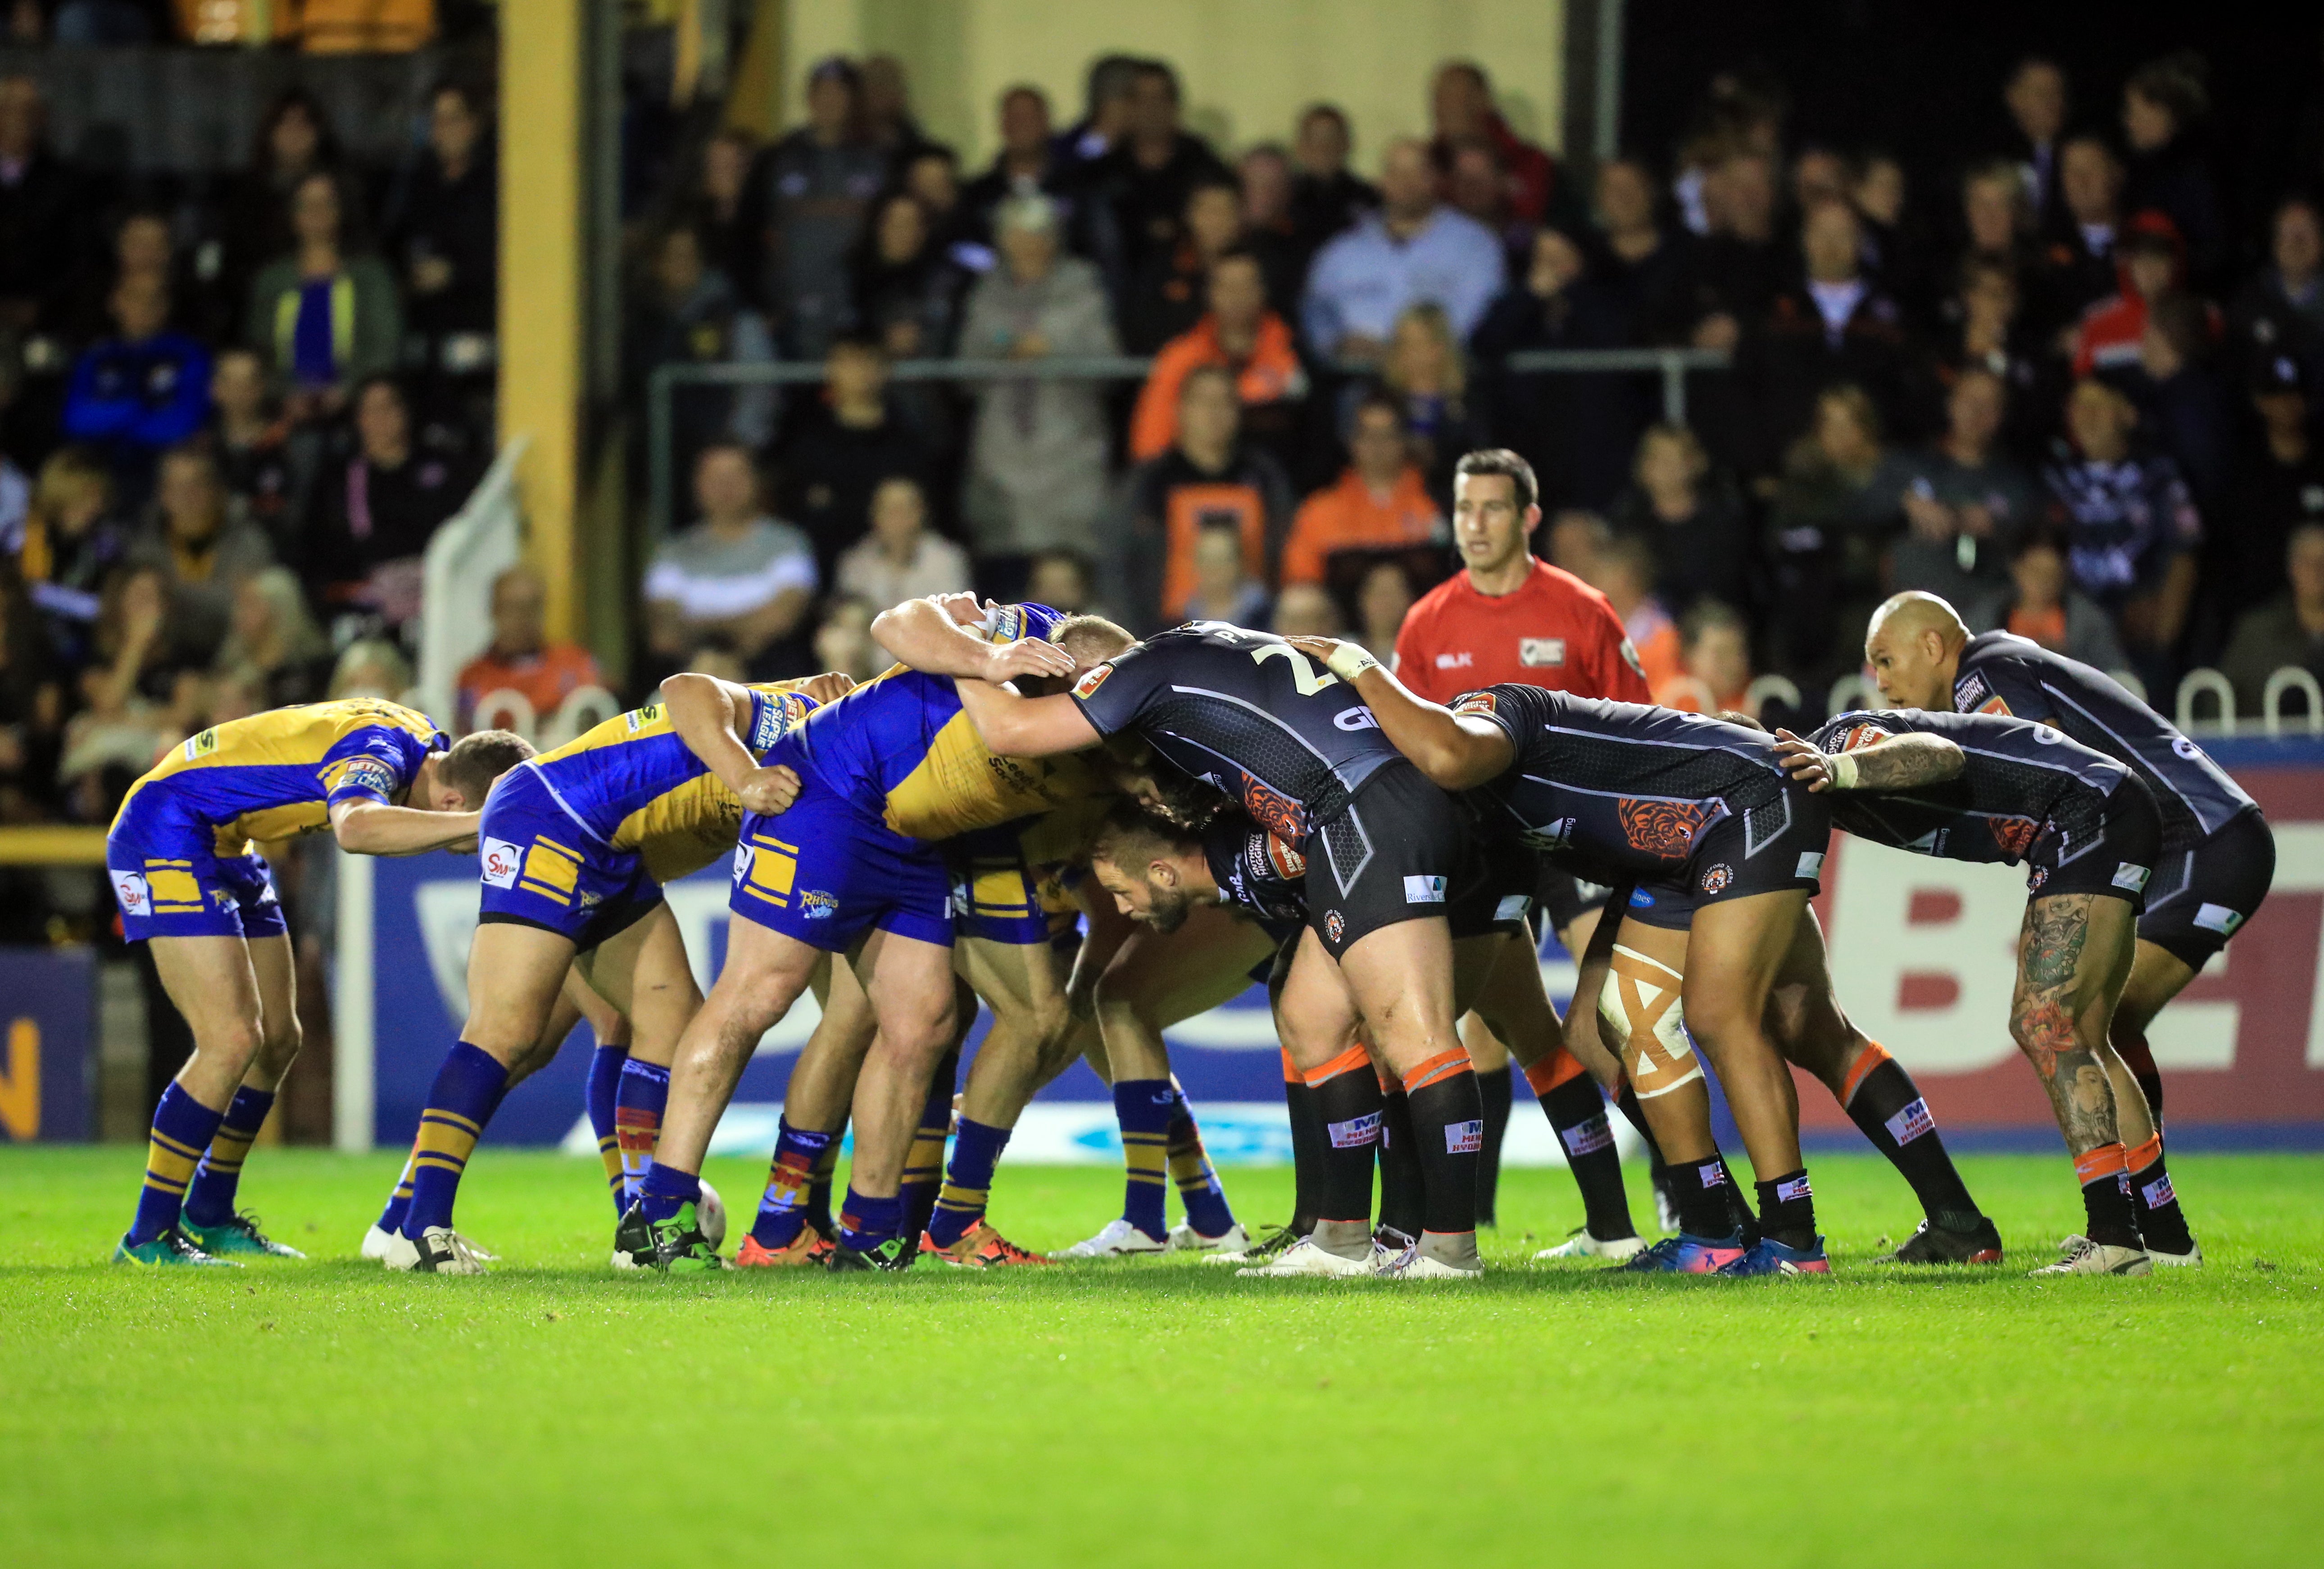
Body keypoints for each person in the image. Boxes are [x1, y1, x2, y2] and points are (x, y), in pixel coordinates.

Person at [949, 621, 1497, 1279]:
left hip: (1362, 808)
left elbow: (1008, 730)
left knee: (1414, 1034)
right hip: (1344, 816)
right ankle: (1339, 1241)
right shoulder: (1201, 651)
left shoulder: (1140, 674)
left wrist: (965, 653)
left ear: (1088, 674)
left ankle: (1449, 1250)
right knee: (1310, 1017)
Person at [1295, 644, 1835, 1275]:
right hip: (1671, 853)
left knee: (1717, 1017)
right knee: (1593, 1028)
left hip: (1745, 805)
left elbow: (1450, 750)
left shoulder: (1492, 714)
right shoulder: (1468, 815)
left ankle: (1793, 1240)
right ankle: (1715, 1227)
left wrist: (1360, 667)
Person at [622, 604, 1093, 1272]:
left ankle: (870, 1232)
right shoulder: (1014, 631)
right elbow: (897, 621)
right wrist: (988, 658)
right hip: (826, 799)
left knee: (923, 1022)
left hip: (913, 837)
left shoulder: (1096, 731)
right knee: (758, 994)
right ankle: (662, 1211)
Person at [368, 672, 840, 1272]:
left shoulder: (822, 728)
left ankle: (642, 1232)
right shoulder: (812, 728)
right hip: (551, 815)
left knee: (671, 1016)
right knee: (507, 1030)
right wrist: (747, 775)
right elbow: (685, 687)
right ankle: (420, 1230)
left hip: (608, 844)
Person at [1865, 589, 2268, 1267]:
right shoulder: (2003, 664)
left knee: (2072, 1024)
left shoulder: (1981, 676)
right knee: (2095, 1027)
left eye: (1885, 659)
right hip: (2197, 839)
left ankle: (2137, 1233)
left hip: (2201, 841)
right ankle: (2153, 1233)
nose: (1880, 681)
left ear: (1933, 646)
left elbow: (2043, 769)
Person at [108, 700, 530, 1264]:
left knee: (279, 1037)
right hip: (169, 829)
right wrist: (485, 822)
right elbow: (355, 827)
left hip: (225, 840)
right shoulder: (381, 752)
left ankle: (209, 1212)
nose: (459, 847)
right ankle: (146, 1236)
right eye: (462, 833)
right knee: (230, 1039)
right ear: (453, 800)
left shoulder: (421, 746)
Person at [1783, 705, 2168, 1272]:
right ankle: (2155, 1233)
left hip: (2088, 815)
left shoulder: (1836, 744)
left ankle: (2115, 1236)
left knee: (2044, 1023)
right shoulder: (1810, 800)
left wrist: (1837, 767)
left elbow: (1943, 756)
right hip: (2102, 809)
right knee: (2082, 1034)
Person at [956, 192, 1120, 562]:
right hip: (1001, 456)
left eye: (1037, 236)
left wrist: (1053, 349)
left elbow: (1108, 369)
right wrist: (1003, 348)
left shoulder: (1083, 289)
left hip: (1069, 455)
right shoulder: (987, 292)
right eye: (1016, 236)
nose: (1027, 246)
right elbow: (965, 371)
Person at [2042, 376, 2201, 686]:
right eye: (2079, 406)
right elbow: (2039, 555)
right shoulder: (2055, 478)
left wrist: (2164, 636)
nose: (2086, 416)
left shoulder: (2158, 476)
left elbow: (2185, 554)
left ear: (2128, 415)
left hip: (2139, 642)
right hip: (2073, 642)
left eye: (2098, 406)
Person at [1112, 363, 1293, 631]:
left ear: (1238, 412)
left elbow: (1288, 552)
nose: (1214, 413)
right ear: (1180, 410)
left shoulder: (1264, 476)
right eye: (1203, 401)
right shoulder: (1149, 483)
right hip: (1164, 638)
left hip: (1258, 636)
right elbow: (1118, 564)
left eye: (1224, 402)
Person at [1301, 136, 1505, 365]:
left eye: (1418, 173)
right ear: (1381, 181)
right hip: (1356, 381)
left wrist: (1401, 353)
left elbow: (1480, 316)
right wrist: (1336, 343)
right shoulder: (1342, 251)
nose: (1407, 183)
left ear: (1434, 179)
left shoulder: (1474, 245)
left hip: (1441, 379)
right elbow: (1316, 311)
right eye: (1396, 173)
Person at [310, 376, 478, 640]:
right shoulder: (338, 479)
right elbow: (321, 549)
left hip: (434, 594)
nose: (382, 418)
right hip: (367, 604)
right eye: (371, 410)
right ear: (360, 419)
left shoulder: (443, 468)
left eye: (389, 407)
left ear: (405, 413)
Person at [750, 58, 890, 355]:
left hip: (858, 315)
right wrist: (763, 301)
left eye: (840, 93)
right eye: (823, 93)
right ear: (810, 99)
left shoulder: (877, 161)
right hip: (790, 317)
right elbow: (751, 232)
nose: (831, 102)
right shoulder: (778, 159)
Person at [644, 442, 818, 678]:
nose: (726, 487)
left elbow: (784, 617)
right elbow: (664, 633)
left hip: (770, 676)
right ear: (697, 485)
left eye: (736, 476)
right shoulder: (673, 552)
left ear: (757, 481)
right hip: (688, 672)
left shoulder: (787, 544)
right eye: (716, 478)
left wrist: (708, 632)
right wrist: (734, 634)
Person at [244, 170, 403, 422]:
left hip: (359, 410)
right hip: (284, 411)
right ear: (292, 214)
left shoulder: (371, 276)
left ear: (342, 210)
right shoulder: (272, 280)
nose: (316, 213)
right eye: (306, 205)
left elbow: (385, 345)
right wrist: (285, 395)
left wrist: (347, 390)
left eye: (326, 203)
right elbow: (259, 348)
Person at [1127, 247, 1305, 463]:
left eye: (1246, 286)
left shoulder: (1293, 352)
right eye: (1227, 287)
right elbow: (1152, 441)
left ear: (1263, 292)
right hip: (1193, 484)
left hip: (1274, 484)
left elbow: (1314, 436)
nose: (1237, 297)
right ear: (1210, 294)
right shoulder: (1180, 357)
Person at [770, 337, 932, 573]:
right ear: (830, 369)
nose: (860, 371)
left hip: (895, 572)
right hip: (818, 572)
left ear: (885, 370)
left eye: (868, 361)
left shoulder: (909, 443)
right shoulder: (805, 443)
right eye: (848, 361)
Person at [1887, 366, 2038, 605]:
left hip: (1988, 616)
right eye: (1969, 400)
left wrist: (1995, 526)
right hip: (1912, 613)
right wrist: (1906, 502)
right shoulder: (1909, 465)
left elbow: (2034, 534)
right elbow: (1860, 504)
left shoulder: (2017, 482)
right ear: (1951, 403)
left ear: (2002, 415)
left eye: (1990, 405)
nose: (1976, 412)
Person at [624, 225, 776, 455]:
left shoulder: (734, 319)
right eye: (672, 256)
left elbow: (759, 388)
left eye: (689, 256)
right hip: (658, 452)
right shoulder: (641, 321)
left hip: (720, 451)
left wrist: (736, 443)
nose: (681, 264)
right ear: (656, 263)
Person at [380, 81, 497, 365]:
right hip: (424, 339)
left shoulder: (496, 186)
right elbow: (392, 247)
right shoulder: (415, 186)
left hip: (480, 337)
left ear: (473, 125)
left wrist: (454, 274)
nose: (444, 130)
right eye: (436, 121)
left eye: (453, 120)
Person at [61, 275, 213, 488]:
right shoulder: (97, 355)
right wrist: (137, 409)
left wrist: (113, 420)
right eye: (134, 298)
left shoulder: (189, 355)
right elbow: (76, 419)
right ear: (114, 303)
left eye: (154, 299)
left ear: (166, 306)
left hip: (163, 472)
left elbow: (182, 424)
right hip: (98, 470)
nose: (144, 307)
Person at [125, 444, 273, 662]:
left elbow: (249, 609)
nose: (186, 496)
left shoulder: (248, 541)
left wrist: (172, 594)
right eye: (176, 487)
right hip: (161, 660)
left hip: (235, 657)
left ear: (216, 490)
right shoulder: (143, 546)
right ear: (162, 493)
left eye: (196, 485)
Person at [1089, 60, 1231, 282]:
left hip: (1192, 283)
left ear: (1175, 106)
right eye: (1141, 100)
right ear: (1128, 106)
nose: (1151, 109)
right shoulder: (1103, 173)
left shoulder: (1202, 164)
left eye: (1159, 99)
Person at [1280, 395, 1443, 586]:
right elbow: (1300, 582)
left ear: (1403, 442)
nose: (1378, 447)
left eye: (1387, 436)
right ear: (1352, 442)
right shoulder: (1318, 511)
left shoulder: (1434, 506)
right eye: (1368, 435)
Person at [1605, 423, 1749, 619]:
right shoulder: (1628, 522)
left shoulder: (1724, 520)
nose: (1668, 468)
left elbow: (1735, 588)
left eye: (1677, 458)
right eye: (1659, 459)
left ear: (1696, 463)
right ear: (1643, 466)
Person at [5, 446, 125, 671]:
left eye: (101, 496)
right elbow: (20, 590)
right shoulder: (24, 535)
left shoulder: (105, 546)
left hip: (75, 648)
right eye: (88, 495)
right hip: (22, 639)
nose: (96, 506)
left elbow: (107, 605)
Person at [454, 563, 604, 734]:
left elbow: (599, 719)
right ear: (494, 610)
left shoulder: (575, 663)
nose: (524, 617)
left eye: (533, 606)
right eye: (513, 607)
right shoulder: (473, 678)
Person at [2120, 54, 2224, 287]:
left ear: (2161, 113)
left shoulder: (2194, 175)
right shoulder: (2140, 172)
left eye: (2133, 111)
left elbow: (2212, 254)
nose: (2128, 122)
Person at [1964, 529, 2128, 672]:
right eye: (2034, 571)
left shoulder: (2088, 622)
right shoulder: (1985, 618)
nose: (2042, 582)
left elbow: (2118, 676)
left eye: (2052, 573)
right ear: (2016, 568)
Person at [836, 475, 972, 644]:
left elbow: (956, 622)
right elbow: (849, 621)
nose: (897, 517)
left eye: (904, 509)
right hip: (872, 654)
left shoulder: (946, 560)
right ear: (874, 515)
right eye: (888, 509)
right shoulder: (856, 563)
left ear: (922, 513)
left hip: (931, 652)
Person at [1121, 176, 1244, 354]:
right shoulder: (1162, 270)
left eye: (1226, 211)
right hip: (1176, 373)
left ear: (1240, 217)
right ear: (1189, 215)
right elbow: (1140, 335)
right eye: (1208, 211)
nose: (1216, 221)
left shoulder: (1260, 268)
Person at [2220, 522, 2324, 717]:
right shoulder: (2256, 634)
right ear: (2292, 569)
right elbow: (2219, 702)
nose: (2318, 572)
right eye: (2307, 562)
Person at [206, 348, 301, 559]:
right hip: (210, 561)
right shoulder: (199, 449)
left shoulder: (288, 444)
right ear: (215, 389)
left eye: (248, 383)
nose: (240, 392)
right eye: (231, 383)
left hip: (273, 557)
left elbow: (297, 515)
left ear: (261, 388)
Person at [212, 566, 332, 708]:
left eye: (251, 605)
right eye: (240, 605)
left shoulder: (314, 666)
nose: (239, 614)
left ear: (281, 609)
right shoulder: (231, 662)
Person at [2001, 59, 2069, 234]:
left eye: (2056, 92)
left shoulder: (2078, 156)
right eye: (2040, 93)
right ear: (2013, 97)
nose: (2049, 102)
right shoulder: (1997, 157)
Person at [1657, 601, 1752, 713]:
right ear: (1690, 654)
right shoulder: (1666, 704)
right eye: (1722, 653)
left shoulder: (1757, 701)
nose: (1734, 664)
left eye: (1739, 653)